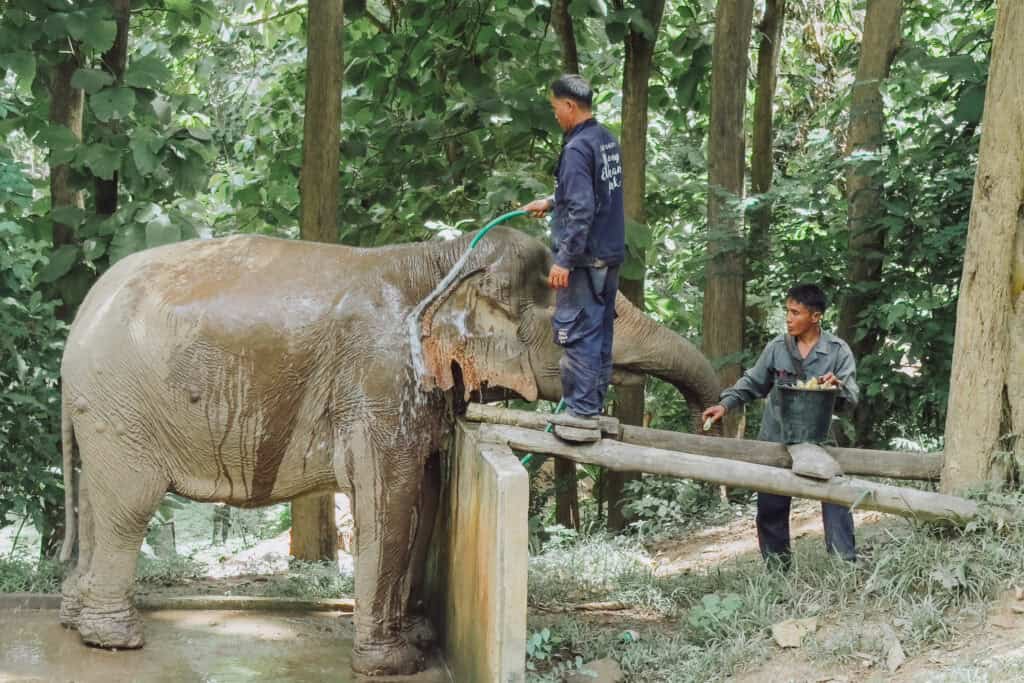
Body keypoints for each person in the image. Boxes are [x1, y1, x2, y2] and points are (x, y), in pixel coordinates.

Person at [701, 284, 859, 567]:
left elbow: (851, 400)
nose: (788, 318)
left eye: (795, 312)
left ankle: (844, 563)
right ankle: (777, 568)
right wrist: (724, 405)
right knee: (771, 505)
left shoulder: (837, 350)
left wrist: (838, 387)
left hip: (819, 440)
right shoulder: (777, 347)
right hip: (776, 437)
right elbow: (753, 383)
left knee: (836, 498)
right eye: (787, 311)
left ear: (816, 316)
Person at [522, 74, 625, 424]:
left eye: (555, 109)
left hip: (584, 260)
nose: (555, 116)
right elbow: (591, 192)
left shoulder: (577, 148)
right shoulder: (604, 139)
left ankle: (580, 415)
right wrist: (552, 202)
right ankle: (592, 407)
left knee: (578, 333)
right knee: (599, 334)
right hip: (608, 256)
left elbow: (583, 208)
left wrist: (564, 260)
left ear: (569, 105)